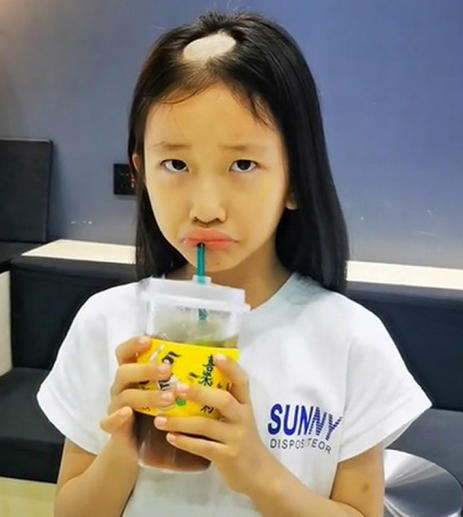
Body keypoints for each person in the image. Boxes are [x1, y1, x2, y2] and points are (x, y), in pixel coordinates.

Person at [37, 11, 430, 517]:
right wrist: (126, 443)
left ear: (294, 178)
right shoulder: (104, 322)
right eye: (174, 164)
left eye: (242, 164)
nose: (205, 207)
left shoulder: (351, 339)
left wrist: (256, 471)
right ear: (141, 172)